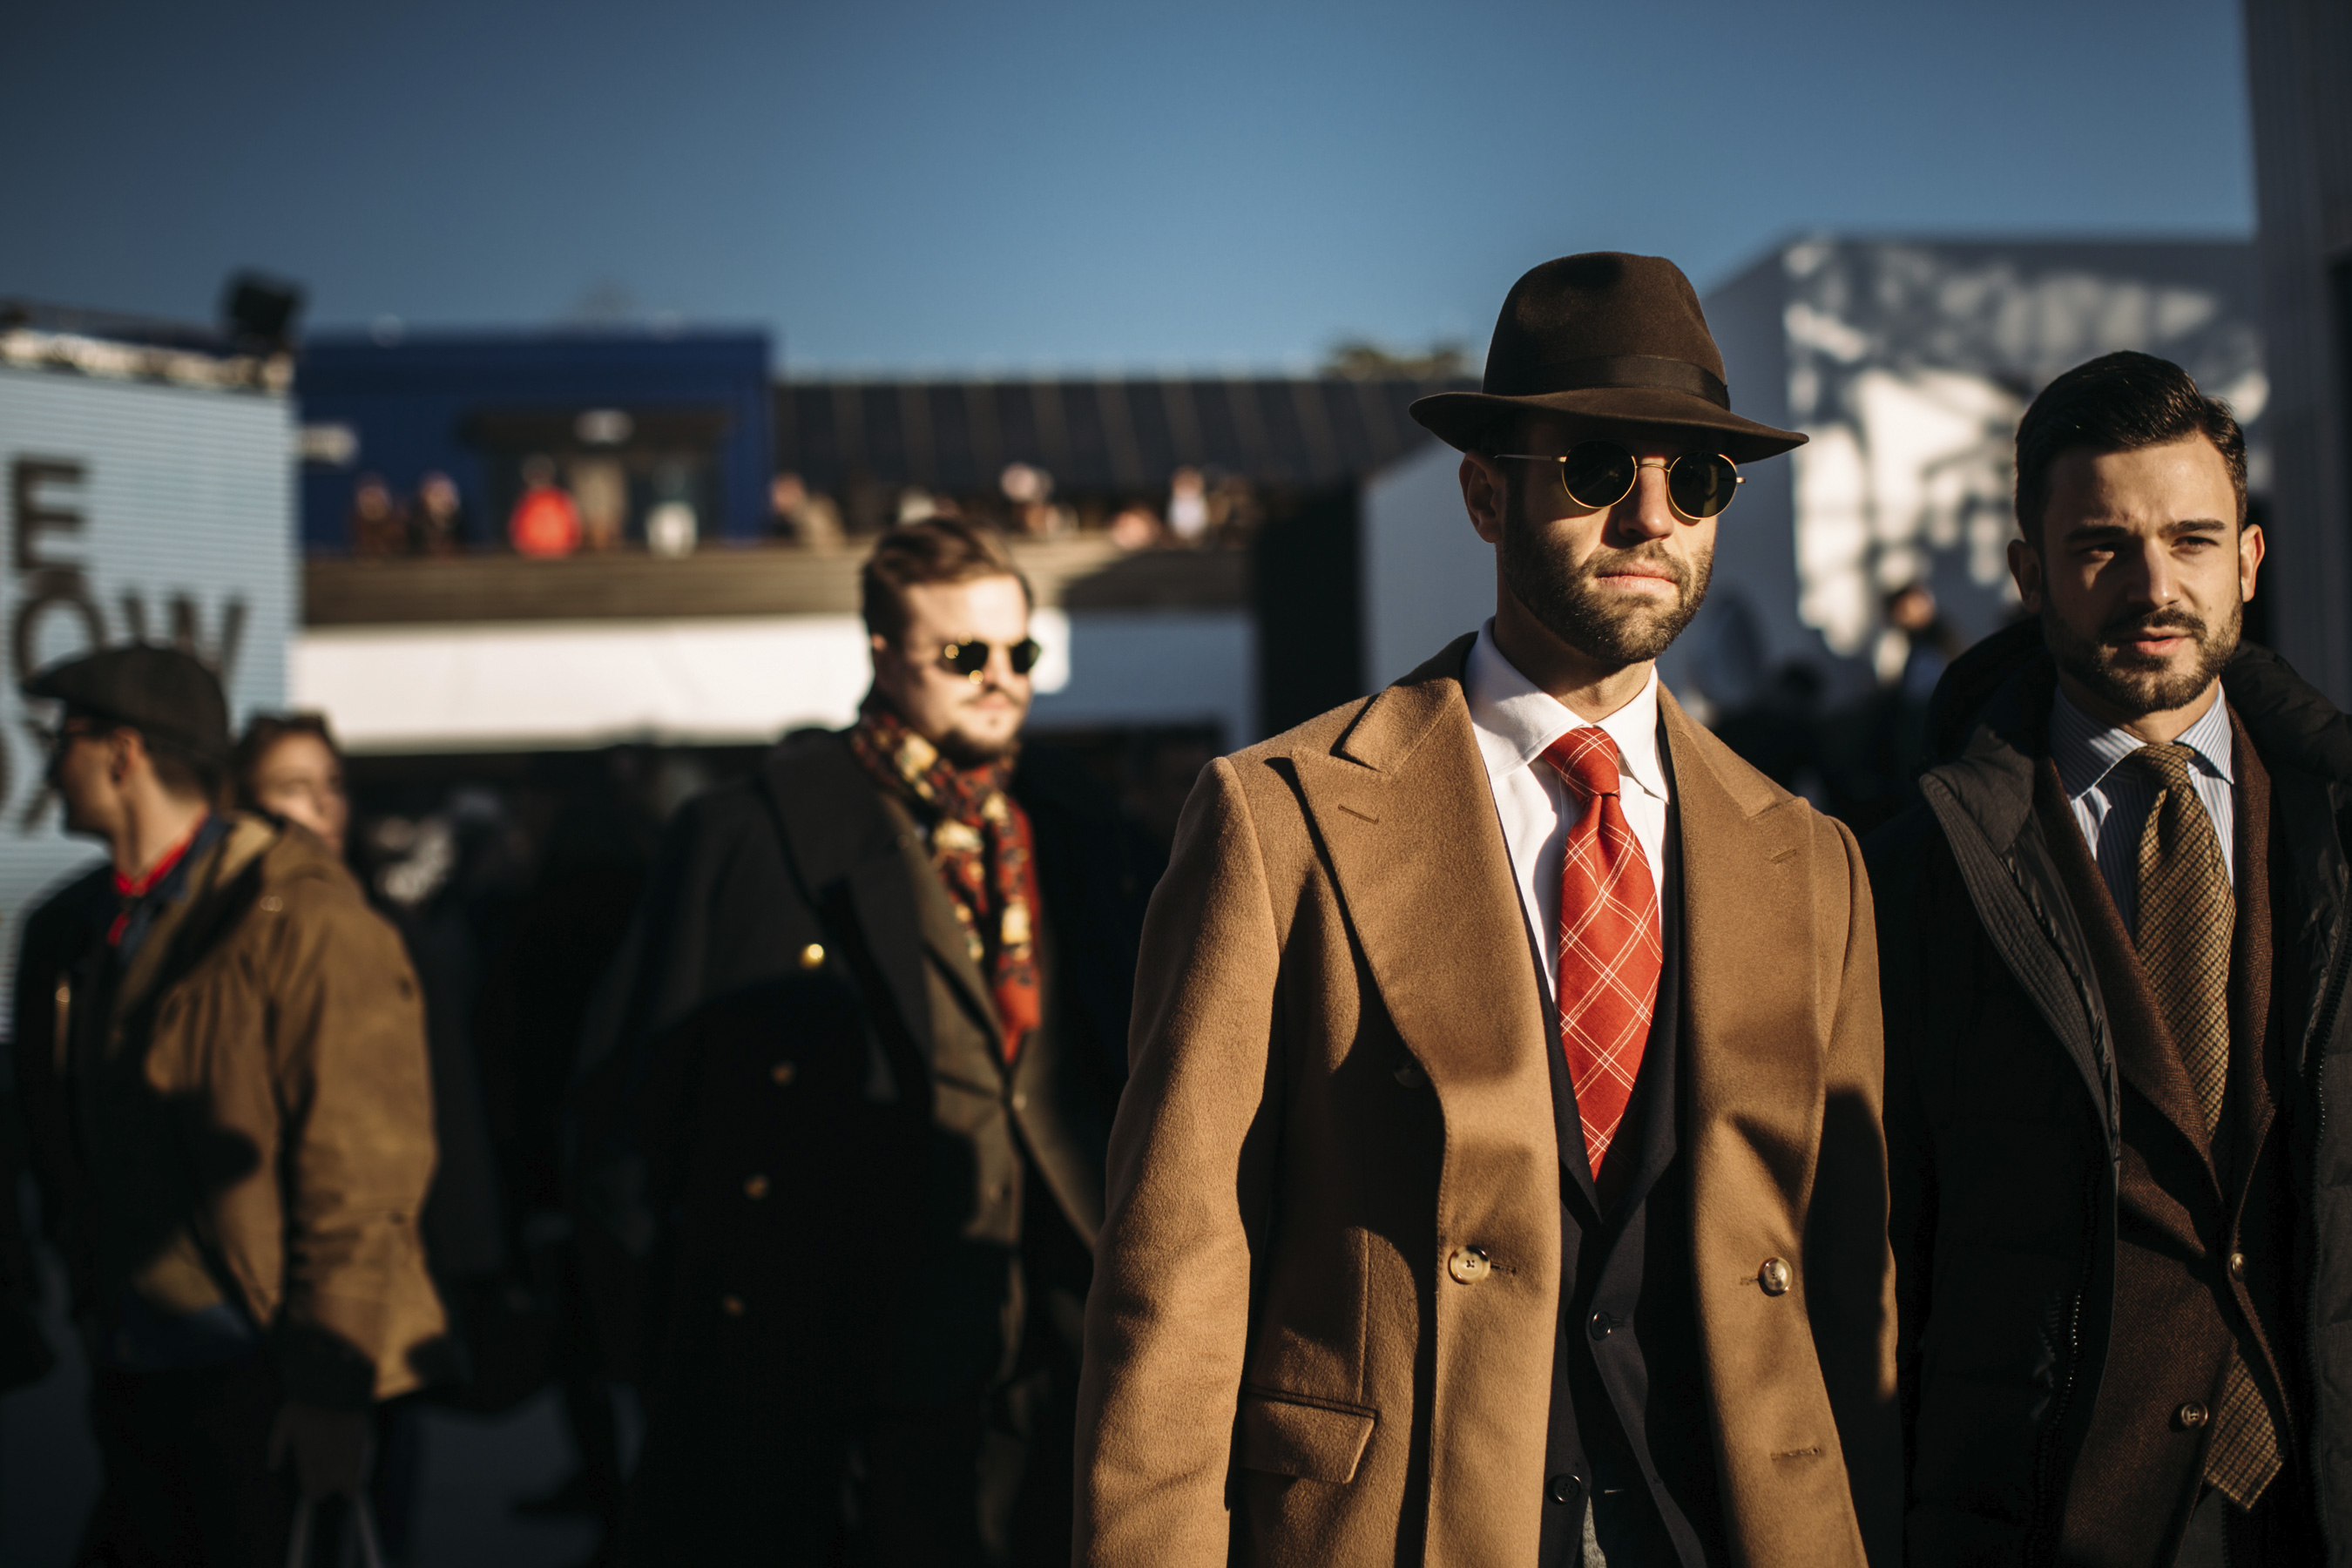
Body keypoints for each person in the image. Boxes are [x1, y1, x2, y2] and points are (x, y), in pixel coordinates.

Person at [1074, 253, 1898, 1566]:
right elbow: (1176, 1277)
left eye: (1696, 480)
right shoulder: (1276, 818)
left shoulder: (1813, 862)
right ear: (1481, 493)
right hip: (1399, 1526)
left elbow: (1852, 1287)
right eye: (1594, 469)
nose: (1650, 516)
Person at [574, 517, 1159, 1565]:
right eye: (962, 655)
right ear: (882, 655)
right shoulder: (748, 832)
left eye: (1019, 653)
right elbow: (628, 1119)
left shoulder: (1080, 824)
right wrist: (681, 1354)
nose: (999, 679)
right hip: (838, 1358)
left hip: (1060, 1339)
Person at [1869, 351, 2349, 1565]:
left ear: (2247, 558)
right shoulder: (1916, 872)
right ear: (2030, 574)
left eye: (2192, 541)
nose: (2154, 587)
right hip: (2047, 1517)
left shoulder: (2339, 826)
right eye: (2101, 548)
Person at [10, 646, 447, 1566]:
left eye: (66, 740)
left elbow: (362, 1174)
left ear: (125, 755)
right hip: (132, 1369)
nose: (49, 765)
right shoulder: (71, 932)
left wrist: (330, 1393)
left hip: (256, 1373)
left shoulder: (302, 920)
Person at [231, 712, 513, 1563]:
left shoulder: (378, 921)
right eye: (293, 788)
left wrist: (468, 1253)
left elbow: (446, 1107)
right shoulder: (238, 931)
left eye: (332, 786)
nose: (322, 808)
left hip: (388, 1257)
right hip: (273, 1282)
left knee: (369, 1504)